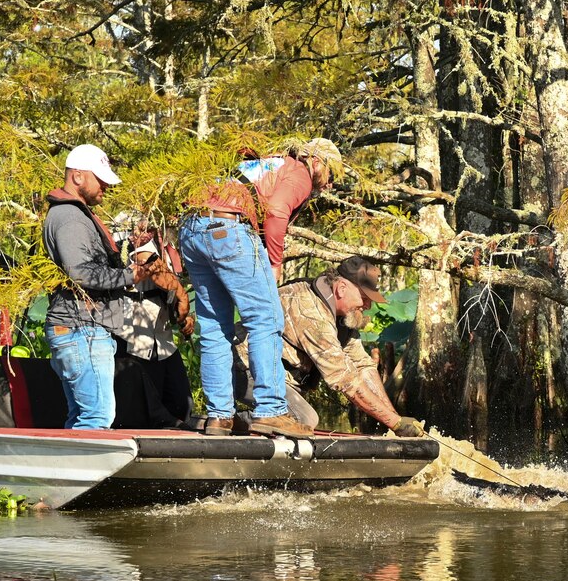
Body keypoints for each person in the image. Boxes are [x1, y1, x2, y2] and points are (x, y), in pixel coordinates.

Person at [178, 138, 342, 438]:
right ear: (317, 161)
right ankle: (270, 411)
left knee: (215, 327)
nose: (328, 185)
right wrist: (275, 262)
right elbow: (278, 211)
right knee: (266, 320)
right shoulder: (300, 169)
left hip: (191, 228)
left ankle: (219, 417)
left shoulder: (265, 164)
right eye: (331, 175)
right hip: (228, 226)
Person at [235, 256, 425, 437]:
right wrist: (395, 423)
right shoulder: (311, 313)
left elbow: (362, 366)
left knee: (302, 420)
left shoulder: (342, 316)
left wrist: (397, 421)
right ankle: (233, 422)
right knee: (303, 419)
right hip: (246, 370)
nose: (367, 305)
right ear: (342, 288)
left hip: (279, 379)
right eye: (364, 298)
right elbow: (345, 380)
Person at [43, 143, 149, 429]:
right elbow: (82, 273)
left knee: (81, 417)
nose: (106, 186)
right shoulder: (70, 218)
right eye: (100, 179)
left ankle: (62, 474)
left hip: (78, 329)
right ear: (77, 176)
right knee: (96, 418)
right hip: (82, 330)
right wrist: (131, 276)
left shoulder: (71, 215)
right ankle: (78, 474)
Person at [116, 221, 195, 426]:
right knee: (143, 411)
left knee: (181, 404)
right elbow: (147, 261)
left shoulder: (175, 230)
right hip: (134, 333)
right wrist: (181, 296)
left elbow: (171, 276)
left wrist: (183, 313)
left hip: (162, 335)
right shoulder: (136, 221)